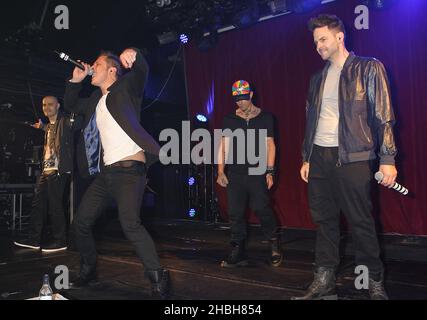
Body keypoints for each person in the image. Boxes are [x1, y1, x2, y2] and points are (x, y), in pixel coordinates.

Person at [292, 14, 397, 300]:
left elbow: (384, 116)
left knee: (360, 221)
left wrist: (387, 158)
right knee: (324, 221)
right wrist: (307, 157)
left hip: (353, 156)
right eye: (315, 42)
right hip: (319, 157)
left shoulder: (368, 68)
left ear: (340, 37)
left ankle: (374, 281)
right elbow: (310, 119)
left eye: (323, 39)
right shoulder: (317, 78)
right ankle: (324, 280)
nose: (318, 46)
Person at [63, 48, 169, 299]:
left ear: (112, 70)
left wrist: (135, 54)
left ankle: (158, 279)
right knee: (81, 222)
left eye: (97, 64)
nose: (92, 66)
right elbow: (69, 105)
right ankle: (88, 271)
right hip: (106, 174)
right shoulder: (94, 101)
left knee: (130, 223)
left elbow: (142, 71)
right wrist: (74, 82)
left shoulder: (125, 89)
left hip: (130, 171)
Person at [217, 80, 283, 268]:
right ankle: (237, 250)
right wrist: (221, 170)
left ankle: (273, 242)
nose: (241, 103)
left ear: (251, 95)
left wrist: (270, 171)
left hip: (257, 172)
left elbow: (270, 145)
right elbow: (224, 145)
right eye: (237, 99)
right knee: (235, 213)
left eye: (244, 99)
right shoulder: (229, 119)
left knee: (261, 208)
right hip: (236, 174)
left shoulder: (265, 117)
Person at [14, 96, 73, 252]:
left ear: (58, 106)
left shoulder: (65, 121)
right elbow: (49, 128)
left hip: (58, 170)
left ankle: (61, 241)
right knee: (38, 204)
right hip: (46, 170)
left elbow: (71, 125)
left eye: (50, 105)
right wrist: (42, 127)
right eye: (44, 105)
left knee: (55, 205)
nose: (47, 107)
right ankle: (34, 240)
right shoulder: (49, 126)